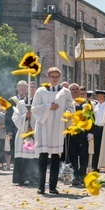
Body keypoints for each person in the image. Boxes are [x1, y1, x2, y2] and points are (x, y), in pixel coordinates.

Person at [32, 67, 74, 195]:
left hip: (57, 127)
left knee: (56, 157)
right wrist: (49, 106)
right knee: (43, 157)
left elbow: (70, 106)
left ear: (59, 78)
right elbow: (34, 109)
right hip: (44, 127)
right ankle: (41, 186)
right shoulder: (41, 91)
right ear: (48, 77)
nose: (55, 79)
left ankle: (53, 186)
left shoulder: (65, 92)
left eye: (57, 77)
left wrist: (68, 112)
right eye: (53, 76)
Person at [12, 81, 38, 186]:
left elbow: (42, 118)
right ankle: (21, 178)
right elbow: (15, 117)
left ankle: (33, 177)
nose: (31, 89)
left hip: (34, 133)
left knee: (33, 157)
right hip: (23, 132)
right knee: (22, 156)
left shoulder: (38, 103)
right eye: (30, 87)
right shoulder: (21, 103)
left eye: (33, 87)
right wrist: (24, 117)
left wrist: (34, 127)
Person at [66, 83, 90, 185]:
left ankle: (82, 174)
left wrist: (90, 132)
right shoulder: (67, 104)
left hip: (83, 134)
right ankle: (75, 176)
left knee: (84, 156)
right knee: (73, 156)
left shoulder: (85, 104)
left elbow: (91, 119)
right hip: (71, 134)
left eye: (76, 89)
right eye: (72, 89)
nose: (75, 91)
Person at [5, 81, 29, 171]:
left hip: (27, 128)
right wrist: (8, 130)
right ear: (17, 89)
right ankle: (17, 168)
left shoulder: (30, 100)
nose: (23, 90)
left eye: (24, 88)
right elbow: (8, 117)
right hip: (14, 129)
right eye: (21, 88)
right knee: (16, 149)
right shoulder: (12, 101)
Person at [90, 90, 105, 172]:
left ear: (102, 96)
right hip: (97, 128)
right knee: (96, 148)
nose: (96, 97)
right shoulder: (96, 106)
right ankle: (96, 166)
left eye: (97, 95)